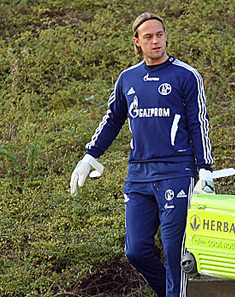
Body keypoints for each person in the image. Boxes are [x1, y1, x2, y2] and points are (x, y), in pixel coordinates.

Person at [69, 12, 214, 297]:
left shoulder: (186, 75)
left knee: (175, 253)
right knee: (135, 250)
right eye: (148, 37)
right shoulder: (128, 79)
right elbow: (113, 119)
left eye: (159, 34)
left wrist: (205, 168)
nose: (155, 41)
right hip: (138, 174)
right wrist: (89, 156)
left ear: (166, 36)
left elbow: (199, 123)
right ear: (137, 42)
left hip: (176, 171)